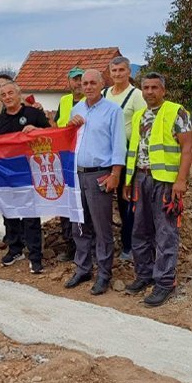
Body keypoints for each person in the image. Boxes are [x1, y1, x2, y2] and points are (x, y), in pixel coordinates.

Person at [123, 73, 192, 306]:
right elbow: (134, 150)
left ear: (163, 90)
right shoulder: (138, 116)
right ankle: (144, 275)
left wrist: (181, 180)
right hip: (141, 180)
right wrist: (129, 180)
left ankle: (164, 282)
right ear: (141, 90)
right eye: (146, 87)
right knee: (140, 231)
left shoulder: (176, 112)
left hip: (165, 182)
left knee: (165, 232)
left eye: (155, 87)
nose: (150, 92)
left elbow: (187, 148)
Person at [63, 69, 125, 295]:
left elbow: (119, 145)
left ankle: (104, 273)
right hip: (77, 175)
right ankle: (83, 268)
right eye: (84, 83)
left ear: (102, 84)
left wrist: (115, 174)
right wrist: (71, 125)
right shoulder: (76, 109)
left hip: (100, 174)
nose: (87, 86)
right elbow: (69, 139)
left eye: (92, 83)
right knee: (79, 225)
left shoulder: (113, 111)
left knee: (102, 228)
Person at [0, 82, 50, 272]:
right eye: (3, 94)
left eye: (10, 93)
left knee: (31, 216)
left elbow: (51, 135)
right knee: (10, 214)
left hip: (31, 173)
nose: (7, 97)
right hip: (8, 175)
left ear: (19, 94)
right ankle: (15, 249)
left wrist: (37, 131)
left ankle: (35, 256)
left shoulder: (34, 114)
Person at [102, 56, 147, 263]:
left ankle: (129, 245)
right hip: (104, 154)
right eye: (114, 71)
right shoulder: (104, 95)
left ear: (129, 72)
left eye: (121, 70)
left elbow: (144, 125)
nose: (117, 74)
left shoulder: (136, 96)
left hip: (129, 154)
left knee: (126, 201)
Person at [51, 66, 85, 258]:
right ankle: (70, 246)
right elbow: (56, 126)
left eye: (81, 79)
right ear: (69, 82)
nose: (79, 83)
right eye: (75, 79)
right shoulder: (64, 101)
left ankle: (86, 248)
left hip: (83, 161)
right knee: (66, 204)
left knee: (83, 205)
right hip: (64, 160)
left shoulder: (92, 102)